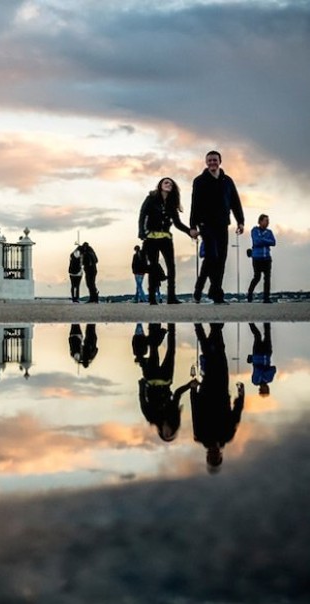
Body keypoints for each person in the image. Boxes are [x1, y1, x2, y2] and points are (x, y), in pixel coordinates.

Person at [190, 151, 245, 304]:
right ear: (206, 162)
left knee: (220, 259)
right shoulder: (199, 181)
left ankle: (202, 288)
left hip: (222, 224)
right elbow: (195, 204)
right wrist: (192, 226)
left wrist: (240, 221)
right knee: (212, 256)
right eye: (209, 160)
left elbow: (235, 201)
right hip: (205, 224)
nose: (212, 163)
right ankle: (217, 294)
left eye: (215, 160)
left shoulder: (227, 181)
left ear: (220, 161)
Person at [191, 323, 245, 472]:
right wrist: (241, 395)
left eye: (211, 458)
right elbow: (236, 414)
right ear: (221, 455)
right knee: (219, 354)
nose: (214, 455)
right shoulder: (227, 436)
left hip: (207, 390)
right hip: (221, 388)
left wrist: (193, 390)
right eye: (216, 458)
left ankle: (205, 326)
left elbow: (195, 412)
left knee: (210, 357)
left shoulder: (201, 436)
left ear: (207, 456)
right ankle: (210, 325)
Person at [138, 177, 195, 305]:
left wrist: (189, 231)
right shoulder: (151, 199)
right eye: (166, 182)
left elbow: (177, 223)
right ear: (160, 185)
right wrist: (141, 232)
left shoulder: (171, 203)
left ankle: (171, 297)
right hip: (151, 237)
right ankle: (152, 297)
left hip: (166, 238)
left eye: (171, 183)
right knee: (153, 266)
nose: (169, 184)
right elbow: (142, 215)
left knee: (171, 266)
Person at [137, 323, 197, 442]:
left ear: (161, 432)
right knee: (171, 352)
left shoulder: (152, 418)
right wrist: (189, 386)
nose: (167, 431)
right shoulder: (173, 414)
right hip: (166, 379)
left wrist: (142, 385)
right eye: (170, 433)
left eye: (166, 434)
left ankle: (153, 324)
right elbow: (177, 394)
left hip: (152, 379)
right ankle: (171, 325)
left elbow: (143, 400)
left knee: (154, 350)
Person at [246, 214, 276, 303]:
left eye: (268, 221)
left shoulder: (269, 232)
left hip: (266, 258)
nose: (267, 222)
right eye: (266, 220)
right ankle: (250, 294)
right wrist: (266, 241)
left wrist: (262, 240)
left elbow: (273, 242)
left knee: (267, 278)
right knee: (257, 277)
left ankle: (266, 298)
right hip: (257, 258)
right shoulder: (254, 230)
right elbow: (256, 241)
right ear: (260, 221)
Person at [247, 323, 276, 397]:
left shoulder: (255, 381)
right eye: (267, 389)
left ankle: (250, 321)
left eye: (265, 390)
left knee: (257, 335)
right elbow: (273, 369)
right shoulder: (269, 379)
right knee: (267, 333)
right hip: (267, 353)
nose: (267, 388)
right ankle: (267, 320)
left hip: (257, 353)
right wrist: (264, 373)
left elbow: (257, 370)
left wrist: (264, 371)